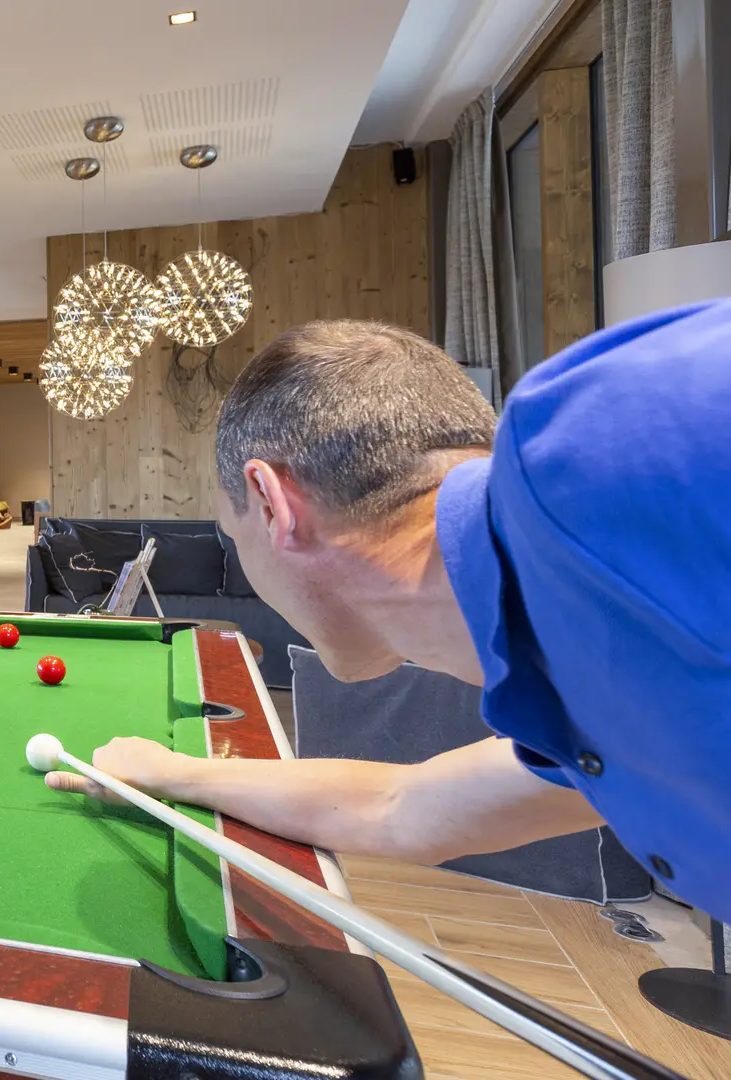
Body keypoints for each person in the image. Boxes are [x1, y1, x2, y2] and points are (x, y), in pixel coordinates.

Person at [45, 310, 731, 921]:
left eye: (233, 533)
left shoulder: (610, 430)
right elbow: (401, 808)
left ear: (272, 505)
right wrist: (173, 772)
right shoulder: (574, 706)